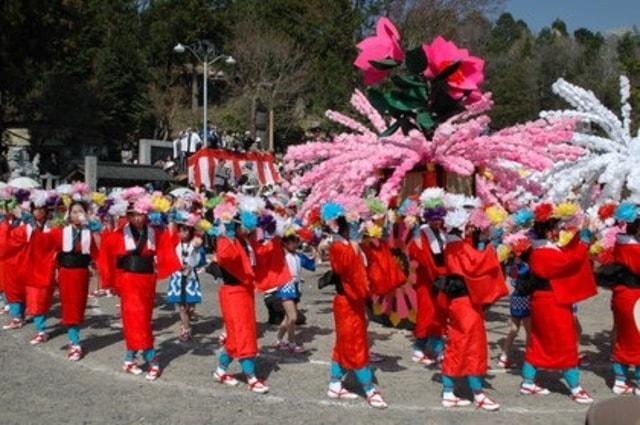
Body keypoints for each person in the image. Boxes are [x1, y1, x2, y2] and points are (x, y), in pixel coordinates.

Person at [519, 202, 597, 404]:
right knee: (565, 342)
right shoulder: (543, 253)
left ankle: (528, 381)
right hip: (551, 303)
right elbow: (570, 261)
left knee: (539, 340)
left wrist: (581, 235)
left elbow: (567, 253)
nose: (559, 231)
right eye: (556, 228)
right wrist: (584, 240)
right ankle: (575, 387)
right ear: (548, 230)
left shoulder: (542, 250)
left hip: (545, 301)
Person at [97, 192, 180, 381]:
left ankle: (129, 358)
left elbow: (169, 244)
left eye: (141, 214)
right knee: (137, 319)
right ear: (127, 215)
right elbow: (107, 252)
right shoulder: (119, 233)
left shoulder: (154, 232)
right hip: (128, 280)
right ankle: (152, 357)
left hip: (147, 281)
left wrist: (171, 223)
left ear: (147, 214)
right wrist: (103, 226)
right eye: (133, 214)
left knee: (142, 318)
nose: (137, 218)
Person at [438, 210, 507, 410]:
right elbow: (476, 264)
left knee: (460, 343)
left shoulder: (455, 245)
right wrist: (489, 245)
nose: (472, 228)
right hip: (464, 303)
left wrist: (482, 242)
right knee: (470, 344)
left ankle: (451, 391)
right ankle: (475, 393)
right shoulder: (457, 246)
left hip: (463, 302)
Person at [322, 203, 387, 409]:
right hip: (347, 301)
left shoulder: (347, 245)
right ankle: (369, 389)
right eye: (353, 224)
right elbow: (352, 271)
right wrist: (356, 244)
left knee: (345, 343)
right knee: (355, 344)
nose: (357, 227)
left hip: (353, 301)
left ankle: (334, 383)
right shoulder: (339, 247)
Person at [213, 202, 269, 394]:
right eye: (241, 226)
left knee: (238, 335)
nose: (245, 229)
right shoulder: (225, 240)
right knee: (243, 333)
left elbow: (258, 258)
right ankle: (251, 376)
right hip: (232, 292)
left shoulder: (245, 242)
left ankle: (220, 371)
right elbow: (225, 258)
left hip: (245, 292)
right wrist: (228, 233)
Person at [596, 202, 640, 395]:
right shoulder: (635, 250)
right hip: (634, 296)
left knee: (623, 337)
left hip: (621, 295)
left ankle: (620, 380)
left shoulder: (621, 244)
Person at [49, 200, 99, 360]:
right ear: (69, 214)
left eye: (80, 211)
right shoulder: (61, 231)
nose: (77, 215)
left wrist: (95, 228)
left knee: (79, 307)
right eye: (74, 211)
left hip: (82, 274)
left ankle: (74, 337)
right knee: (69, 307)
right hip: (66, 272)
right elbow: (51, 249)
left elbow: (97, 251)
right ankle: (75, 342)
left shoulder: (89, 232)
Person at [406, 189, 449, 365]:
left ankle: (422, 346)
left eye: (439, 218)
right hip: (427, 278)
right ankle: (431, 348)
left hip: (440, 276)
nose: (437, 222)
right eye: (434, 218)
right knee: (428, 313)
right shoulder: (422, 232)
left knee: (439, 313)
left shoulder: (441, 232)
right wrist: (415, 233)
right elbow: (419, 254)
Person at [273, 228, 316, 353]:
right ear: (284, 243)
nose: (294, 243)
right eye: (291, 241)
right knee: (293, 317)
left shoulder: (299, 256)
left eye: (296, 240)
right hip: (285, 286)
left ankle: (278, 339)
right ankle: (292, 343)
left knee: (287, 318)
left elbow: (311, 264)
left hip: (296, 287)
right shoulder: (281, 254)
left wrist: (314, 248)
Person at [166, 221, 204, 342]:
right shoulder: (175, 244)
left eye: (185, 230)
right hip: (177, 277)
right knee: (181, 306)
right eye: (180, 231)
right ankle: (186, 328)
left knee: (191, 307)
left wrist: (197, 249)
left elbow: (201, 261)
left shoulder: (196, 243)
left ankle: (186, 321)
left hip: (191, 277)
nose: (182, 233)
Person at [497, 254, 532, 368]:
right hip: (525, 299)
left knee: (514, 329)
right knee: (529, 331)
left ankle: (504, 357)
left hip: (515, 298)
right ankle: (529, 358)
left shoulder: (513, 267)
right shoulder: (528, 267)